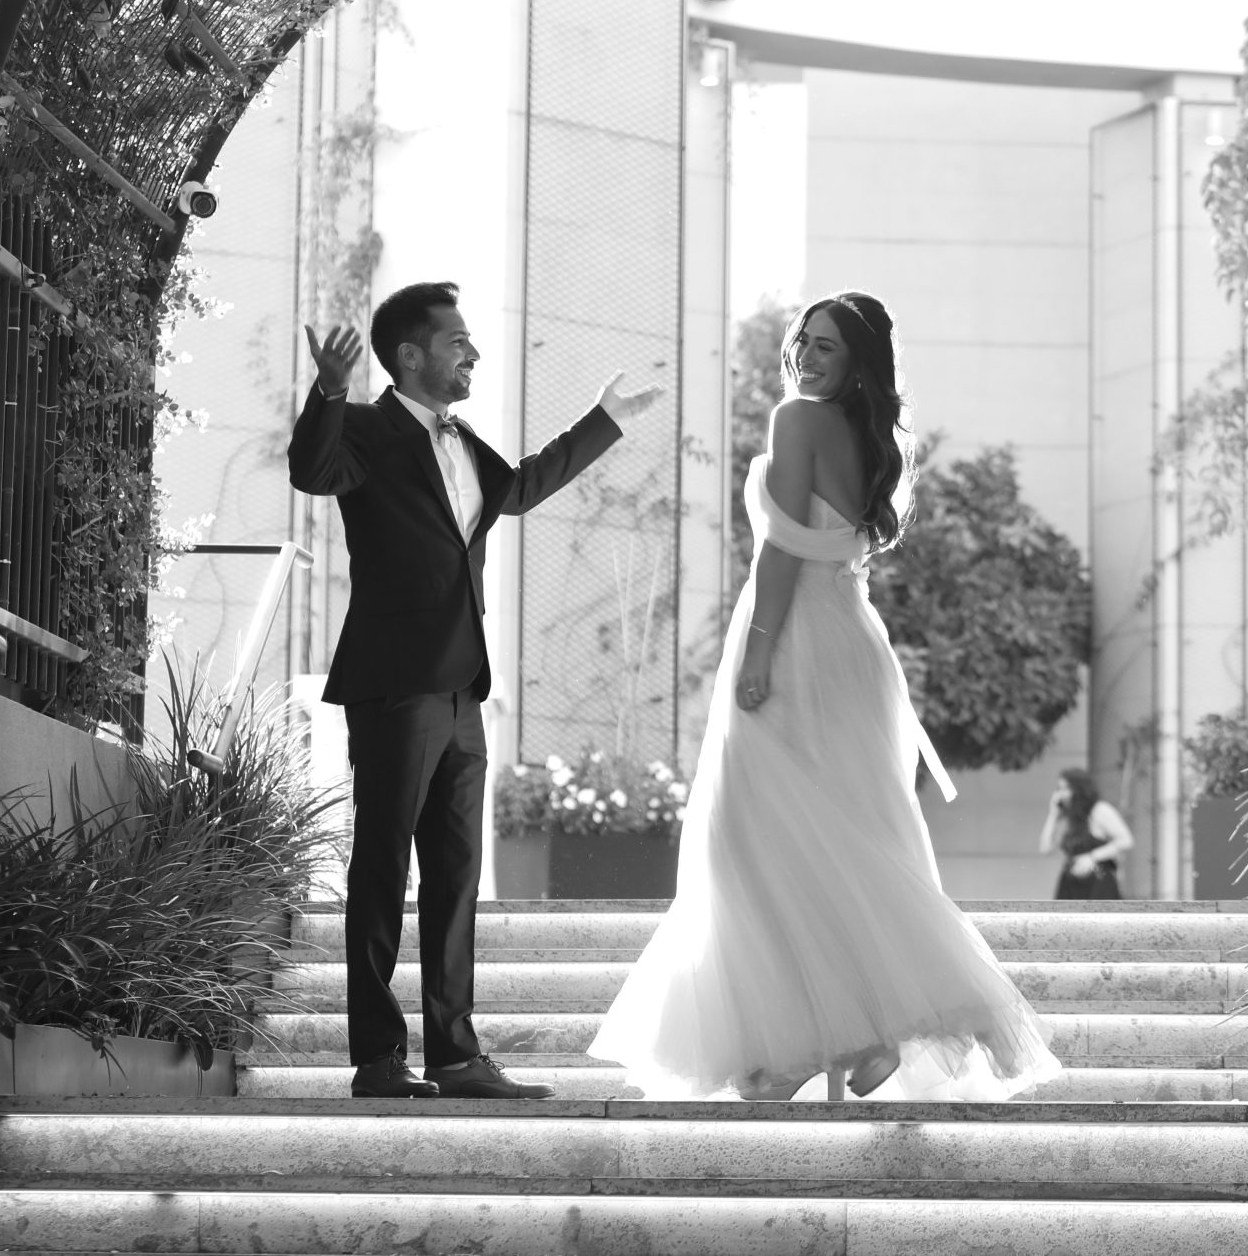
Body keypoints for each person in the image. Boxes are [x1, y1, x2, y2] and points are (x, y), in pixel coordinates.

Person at [591, 293, 1057, 1102]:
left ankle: (806, 1047)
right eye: (803, 341)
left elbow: (780, 553)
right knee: (846, 836)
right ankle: (859, 1034)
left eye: (828, 347)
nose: (806, 358)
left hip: (796, 636)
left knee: (748, 837)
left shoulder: (797, 420)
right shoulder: (873, 439)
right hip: (854, 642)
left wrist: (759, 652)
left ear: (857, 363)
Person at [291, 281, 661, 1099]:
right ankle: (378, 1058)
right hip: (395, 684)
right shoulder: (366, 429)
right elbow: (312, 470)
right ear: (411, 353)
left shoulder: (459, 439)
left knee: (456, 878)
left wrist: (604, 419)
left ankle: (456, 1054)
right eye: (458, 341)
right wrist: (329, 391)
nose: (474, 354)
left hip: (463, 688)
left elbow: (520, 488)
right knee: (382, 870)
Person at [1040, 767, 1134, 900]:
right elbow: (1045, 849)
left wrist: (1092, 857)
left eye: (1066, 788)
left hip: (1098, 882)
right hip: (1071, 885)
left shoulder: (1099, 810)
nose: (1061, 794)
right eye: (1059, 789)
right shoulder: (1067, 817)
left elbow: (1126, 840)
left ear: (1079, 789)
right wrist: (1053, 814)